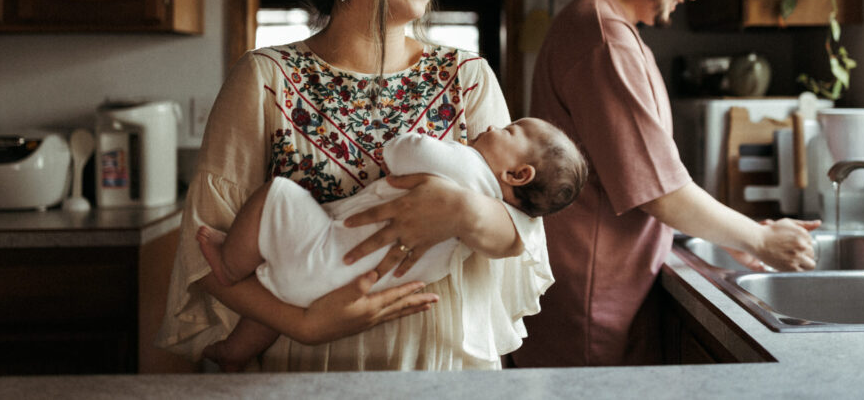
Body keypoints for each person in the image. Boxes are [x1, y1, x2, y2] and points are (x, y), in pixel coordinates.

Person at [156, 0, 557, 371]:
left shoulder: (468, 77)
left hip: (442, 373)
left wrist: (461, 211)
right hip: (304, 369)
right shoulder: (266, 78)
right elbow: (205, 251)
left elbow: (521, 234)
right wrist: (303, 323)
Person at [511, 0, 820, 368]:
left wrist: (733, 234)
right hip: (593, 301)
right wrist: (757, 240)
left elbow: (648, 175)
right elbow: (660, 191)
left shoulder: (607, 28)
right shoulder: (604, 39)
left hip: (605, 289)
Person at [195, 119, 586, 371]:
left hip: (323, 250)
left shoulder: (467, 166)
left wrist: (441, 147)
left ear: (518, 173)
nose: (493, 124)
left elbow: (401, 151)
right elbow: (524, 234)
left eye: (510, 129)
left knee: (275, 195)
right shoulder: (491, 219)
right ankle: (236, 352)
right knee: (286, 294)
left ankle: (229, 264)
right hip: (350, 287)